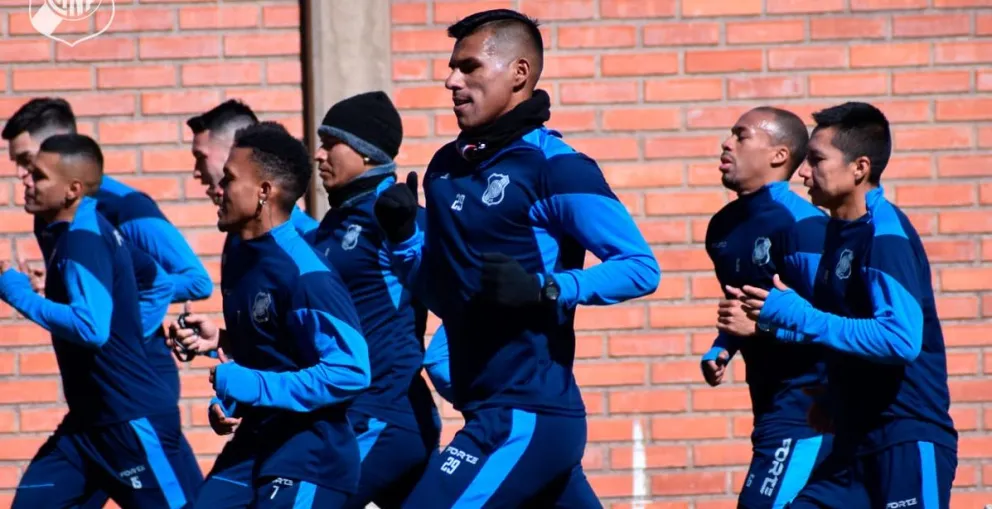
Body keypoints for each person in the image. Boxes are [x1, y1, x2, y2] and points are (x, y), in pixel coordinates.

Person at [373, 9, 660, 507]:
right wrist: (403, 240)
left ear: (519, 74)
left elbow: (640, 267)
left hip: (528, 413)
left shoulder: (557, 167)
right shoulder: (445, 169)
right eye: (451, 68)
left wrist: (549, 288)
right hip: (485, 406)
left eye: (469, 68)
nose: (450, 81)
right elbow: (447, 296)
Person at [730, 102, 958, 508]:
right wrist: (830, 396)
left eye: (816, 161)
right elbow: (840, 323)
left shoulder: (884, 236)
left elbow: (899, 339)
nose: (802, 173)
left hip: (904, 440)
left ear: (859, 168)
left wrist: (800, 316)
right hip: (850, 444)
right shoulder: (836, 233)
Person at [167, 122, 371, 508]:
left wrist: (251, 386)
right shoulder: (239, 251)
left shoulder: (305, 273)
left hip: (310, 458)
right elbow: (278, 352)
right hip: (255, 444)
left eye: (228, 179)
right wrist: (230, 381)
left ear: (264, 191)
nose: (218, 189)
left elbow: (350, 370)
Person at [1, 134, 201, 508]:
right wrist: (129, 333)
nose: (25, 180)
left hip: (131, 423)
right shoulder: (87, 226)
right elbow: (155, 281)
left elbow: (90, 328)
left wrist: (18, 294)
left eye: (39, 176)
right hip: (86, 428)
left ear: (72, 189)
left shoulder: (83, 240)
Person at [2, 97, 212, 399]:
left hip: (139, 374)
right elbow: (92, 288)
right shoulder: (48, 214)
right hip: (92, 378)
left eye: (27, 161)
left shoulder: (126, 206)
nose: (23, 175)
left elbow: (196, 281)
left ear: (60, 147)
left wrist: (119, 299)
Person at [701, 107, 842, 508]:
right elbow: (744, 310)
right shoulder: (722, 227)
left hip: (810, 412)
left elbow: (840, 323)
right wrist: (723, 347)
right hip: (767, 406)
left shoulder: (802, 225)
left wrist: (761, 330)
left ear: (779, 155)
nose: (727, 143)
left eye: (741, 136)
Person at [305, 91, 440, 509]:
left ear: (365, 155)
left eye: (331, 144)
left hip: (386, 412)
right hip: (346, 414)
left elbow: (454, 291)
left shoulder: (399, 218)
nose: (319, 155)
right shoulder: (331, 224)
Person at [186, 100, 317, 236]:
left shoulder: (306, 237)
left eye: (201, 157)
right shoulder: (241, 227)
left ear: (236, 149)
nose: (196, 172)